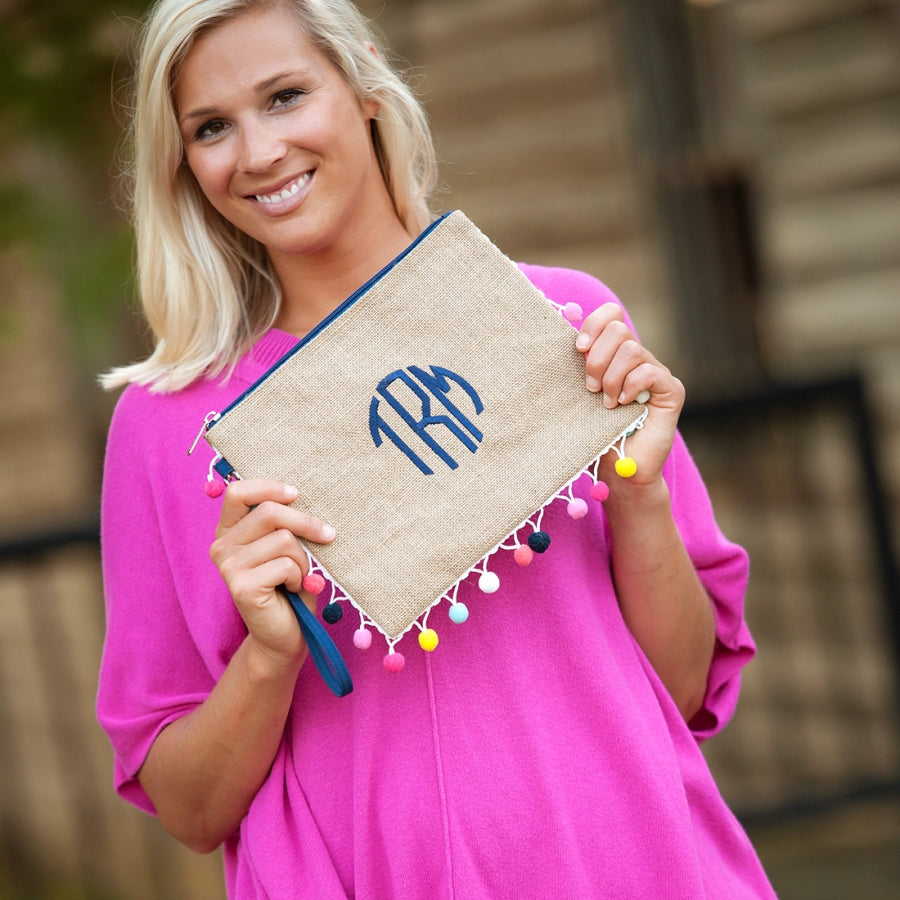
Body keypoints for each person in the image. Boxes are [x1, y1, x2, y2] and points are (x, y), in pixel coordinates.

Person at [96, 0, 776, 897]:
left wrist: (640, 493)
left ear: (366, 85)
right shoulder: (167, 425)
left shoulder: (561, 324)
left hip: (629, 858)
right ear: (183, 163)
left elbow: (682, 692)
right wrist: (267, 656)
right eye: (212, 127)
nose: (258, 153)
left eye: (287, 96)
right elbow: (190, 812)